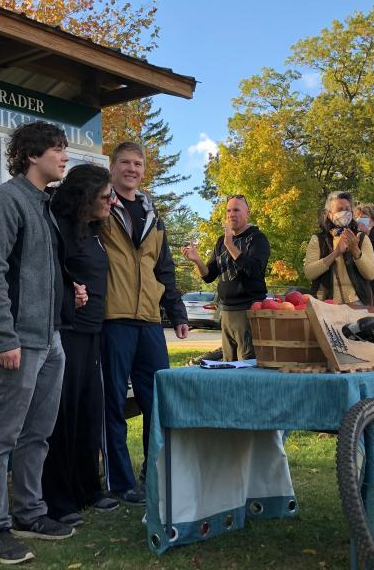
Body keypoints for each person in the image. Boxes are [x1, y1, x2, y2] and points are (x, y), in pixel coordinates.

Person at [0, 121, 80, 565]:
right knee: (1, 437)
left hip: (49, 339)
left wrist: (69, 289)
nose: (64, 157)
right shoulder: (3, 201)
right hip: (18, 341)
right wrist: (5, 336)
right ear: (32, 155)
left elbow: (39, 271)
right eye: (57, 149)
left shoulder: (45, 205)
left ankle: (29, 514)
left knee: (38, 434)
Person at [102, 141, 189, 505]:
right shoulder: (102, 206)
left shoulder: (153, 213)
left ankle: (154, 472)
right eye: (125, 162)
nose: (132, 169)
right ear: (113, 166)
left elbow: (163, 267)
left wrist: (178, 311)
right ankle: (119, 482)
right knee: (112, 405)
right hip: (112, 318)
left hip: (150, 321)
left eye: (138, 164)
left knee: (157, 401)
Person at [41, 165, 121, 526]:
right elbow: (47, 272)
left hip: (93, 332)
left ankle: (88, 489)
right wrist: (67, 290)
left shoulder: (94, 230)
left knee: (90, 412)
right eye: (105, 197)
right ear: (85, 197)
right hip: (67, 332)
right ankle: (58, 498)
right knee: (64, 415)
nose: (111, 202)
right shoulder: (58, 227)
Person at [180, 194, 271, 360]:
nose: (231, 214)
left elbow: (254, 270)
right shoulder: (221, 241)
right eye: (228, 210)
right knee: (228, 365)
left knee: (247, 365)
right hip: (226, 312)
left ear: (247, 213)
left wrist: (230, 245)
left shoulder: (258, 239)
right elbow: (209, 275)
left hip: (248, 311)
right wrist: (197, 260)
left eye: (236, 210)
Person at [304, 190, 374, 308]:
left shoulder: (362, 238)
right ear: (329, 214)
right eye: (339, 210)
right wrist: (335, 253)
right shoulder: (318, 239)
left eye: (347, 209)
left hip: (357, 302)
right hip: (326, 303)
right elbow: (309, 273)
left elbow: (371, 274)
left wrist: (355, 250)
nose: (344, 213)